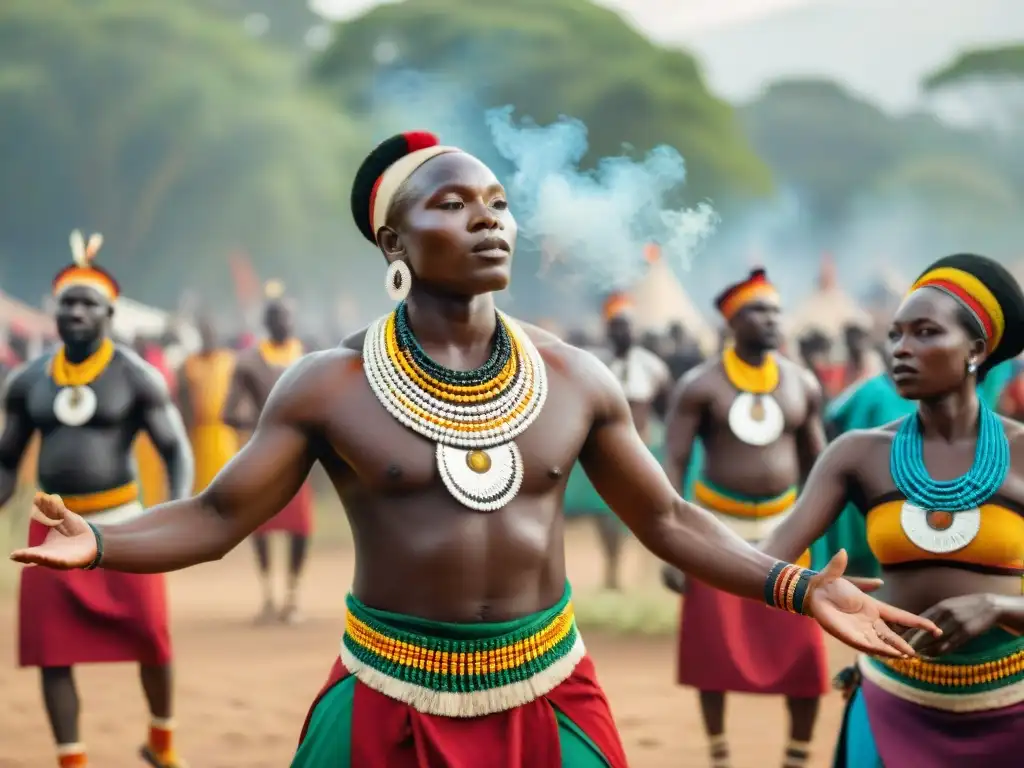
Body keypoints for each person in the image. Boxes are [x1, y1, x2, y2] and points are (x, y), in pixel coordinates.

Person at [11, 133, 938, 768]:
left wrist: (797, 585)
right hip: (386, 692)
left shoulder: (575, 378)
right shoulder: (327, 385)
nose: (488, 219)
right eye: (453, 204)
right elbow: (216, 516)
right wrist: (102, 543)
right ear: (395, 240)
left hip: (548, 690)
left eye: (497, 202)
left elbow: (664, 516)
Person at [760, 253, 1024, 766]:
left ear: (975, 350)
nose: (901, 349)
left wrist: (1001, 608)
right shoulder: (857, 455)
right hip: (891, 704)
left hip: (1011, 707)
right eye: (896, 334)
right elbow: (768, 559)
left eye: (925, 333)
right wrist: (812, 589)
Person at [0, 232, 193, 768]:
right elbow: (6, 461)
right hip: (52, 534)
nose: (77, 312)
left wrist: (177, 512)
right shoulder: (28, 381)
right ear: (54, 312)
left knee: (153, 638)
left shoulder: (137, 377)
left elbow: (175, 448)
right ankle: (72, 759)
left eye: (88, 303)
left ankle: (162, 742)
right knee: (51, 652)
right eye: (68, 303)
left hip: (123, 529)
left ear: (109, 312)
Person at [661, 269, 830, 768]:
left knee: (803, 654)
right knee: (714, 654)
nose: (773, 320)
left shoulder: (802, 382)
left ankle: (796, 758)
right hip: (716, 536)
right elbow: (671, 460)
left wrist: (815, 534)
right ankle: (719, 755)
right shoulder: (700, 385)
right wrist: (671, 544)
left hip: (787, 532)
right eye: (760, 311)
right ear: (733, 321)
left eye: (777, 310)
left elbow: (819, 466)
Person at [221, 280, 313, 624]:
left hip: (301, 455)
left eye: (288, 316)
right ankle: (268, 595)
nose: (283, 322)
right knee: (260, 525)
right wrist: (260, 424)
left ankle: (292, 594)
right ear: (266, 322)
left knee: (300, 526)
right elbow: (229, 411)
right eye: (276, 317)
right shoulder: (249, 362)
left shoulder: (309, 355)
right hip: (263, 455)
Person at [566, 294, 672, 591]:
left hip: (643, 449)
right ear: (607, 329)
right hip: (601, 453)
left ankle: (644, 575)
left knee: (647, 513)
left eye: (626, 326)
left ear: (635, 329)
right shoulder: (592, 365)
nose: (622, 332)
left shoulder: (653, 368)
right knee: (605, 514)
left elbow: (666, 408)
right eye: (616, 326)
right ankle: (612, 573)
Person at [177, 315, 238, 494]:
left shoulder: (230, 361)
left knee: (229, 485)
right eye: (205, 333)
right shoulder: (189, 365)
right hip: (199, 435)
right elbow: (183, 400)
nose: (209, 337)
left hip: (225, 432)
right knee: (204, 490)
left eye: (212, 333)